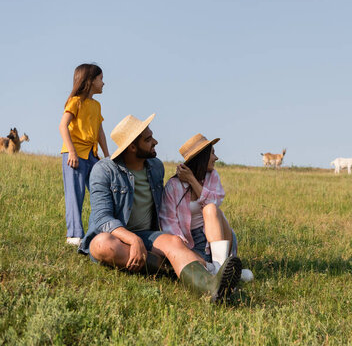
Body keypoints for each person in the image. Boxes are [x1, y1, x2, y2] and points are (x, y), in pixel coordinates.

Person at [78, 114, 242, 303]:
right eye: (148, 140)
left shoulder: (155, 167)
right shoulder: (103, 170)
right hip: (118, 235)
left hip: (150, 235)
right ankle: (170, 267)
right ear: (132, 147)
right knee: (101, 245)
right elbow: (102, 219)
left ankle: (210, 288)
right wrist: (133, 240)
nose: (155, 142)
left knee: (173, 242)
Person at [159, 134, 254, 282]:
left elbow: (214, 202)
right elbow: (168, 221)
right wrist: (182, 247)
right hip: (190, 241)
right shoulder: (173, 186)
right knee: (195, 265)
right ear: (202, 156)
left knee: (211, 209)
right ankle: (220, 272)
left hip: (218, 236)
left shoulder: (213, 176)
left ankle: (219, 269)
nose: (216, 158)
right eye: (212, 153)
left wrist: (191, 179)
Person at [59, 63, 109, 247]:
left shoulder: (97, 105)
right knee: (75, 194)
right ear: (90, 81)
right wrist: (71, 151)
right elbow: (62, 126)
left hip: (92, 156)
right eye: (101, 79)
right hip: (74, 155)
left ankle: (95, 232)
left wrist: (107, 156)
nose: (103, 83)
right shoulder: (75, 101)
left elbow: (100, 132)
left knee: (100, 192)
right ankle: (73, 235)